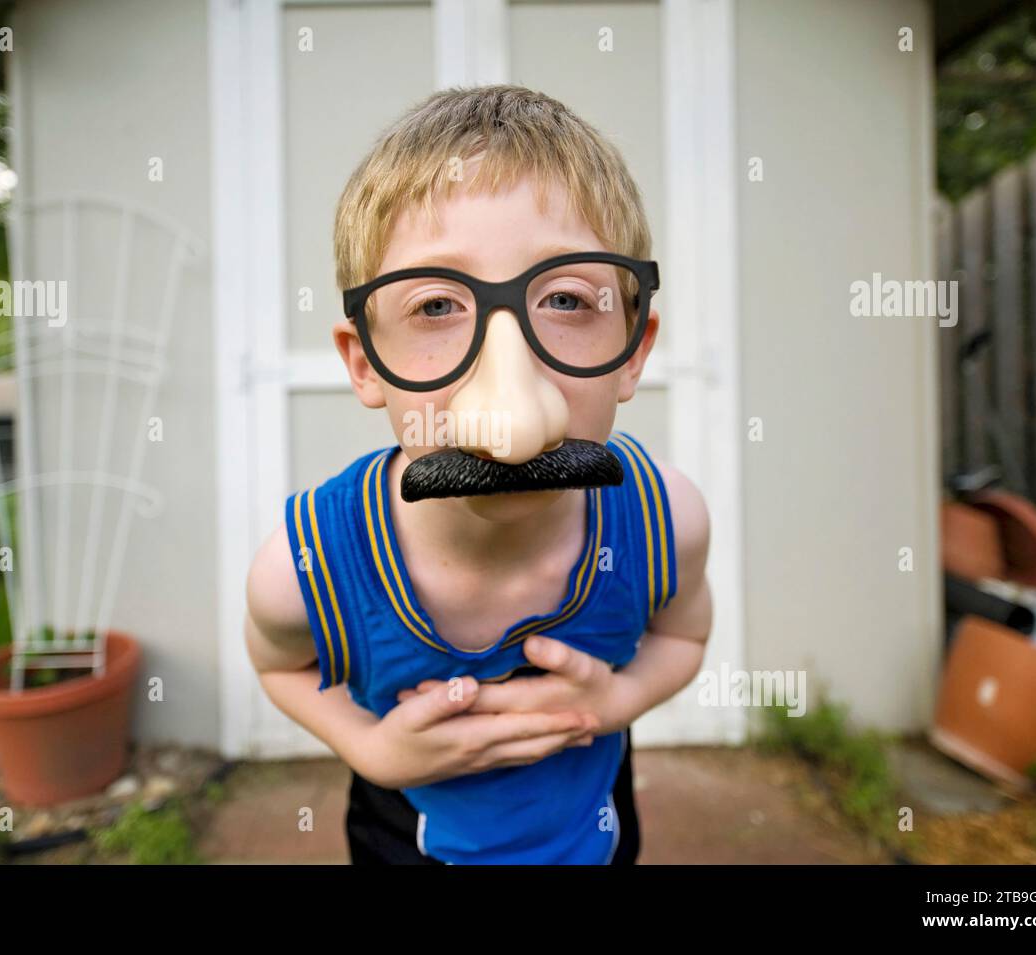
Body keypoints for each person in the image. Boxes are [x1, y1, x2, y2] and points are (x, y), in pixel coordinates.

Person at [246, 85, 712, 864]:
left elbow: (684, 632)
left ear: (633, 347)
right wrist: (372, 750)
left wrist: (618, 699)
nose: (512, 409)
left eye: (565, 297)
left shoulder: (668, 522)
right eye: (434, 307)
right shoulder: (305, 570)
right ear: (366, 364)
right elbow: (277, 664)